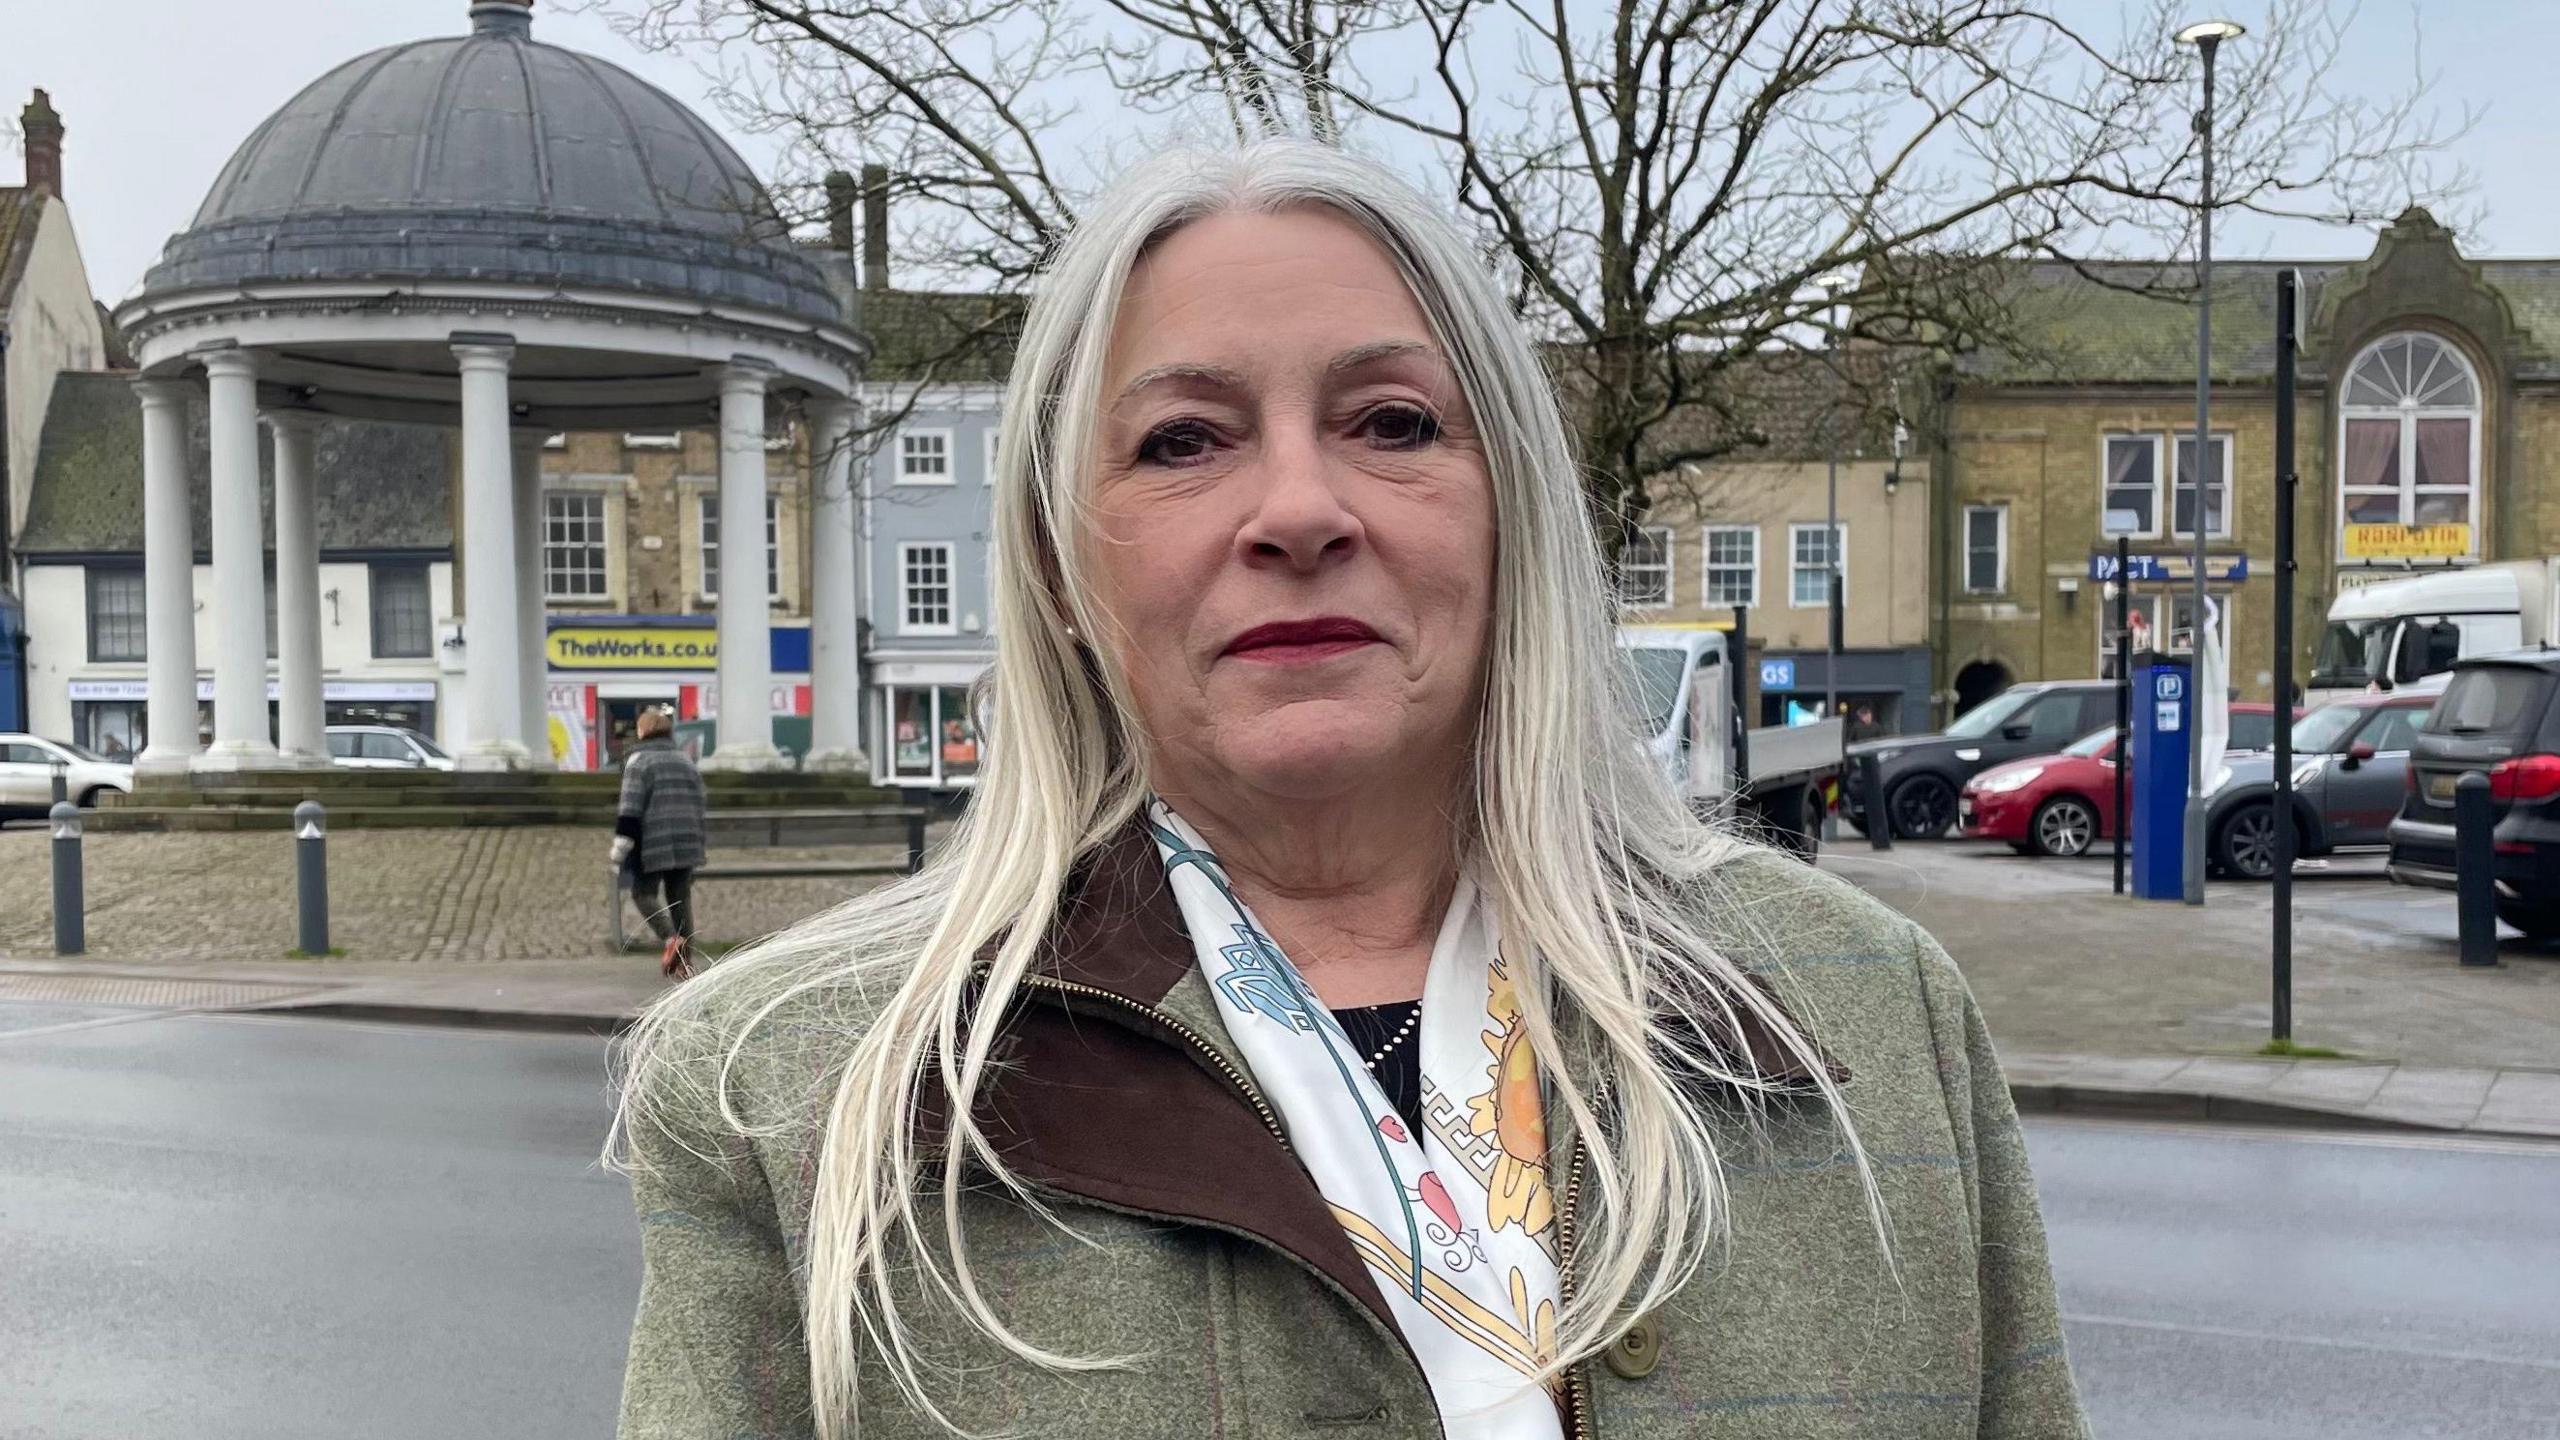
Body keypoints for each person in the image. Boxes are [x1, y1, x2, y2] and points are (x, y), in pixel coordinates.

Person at [612, 141, 2086, 1440]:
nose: (1302, 510)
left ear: (1506, 507)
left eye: (1392, 423)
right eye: (1182, 442)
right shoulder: (785, 1091)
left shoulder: (1869, 1008)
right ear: (1064, 567)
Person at [612, 706, 707, 980]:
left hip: (653, 842)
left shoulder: (639, 762)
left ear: (643, 731)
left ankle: (670, 939)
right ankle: (686, 963)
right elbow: (701, 803)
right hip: (688, 840)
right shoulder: (686, 761)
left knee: (642, 894)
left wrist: (620, 848)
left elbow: (630, 808)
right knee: (680, 900)